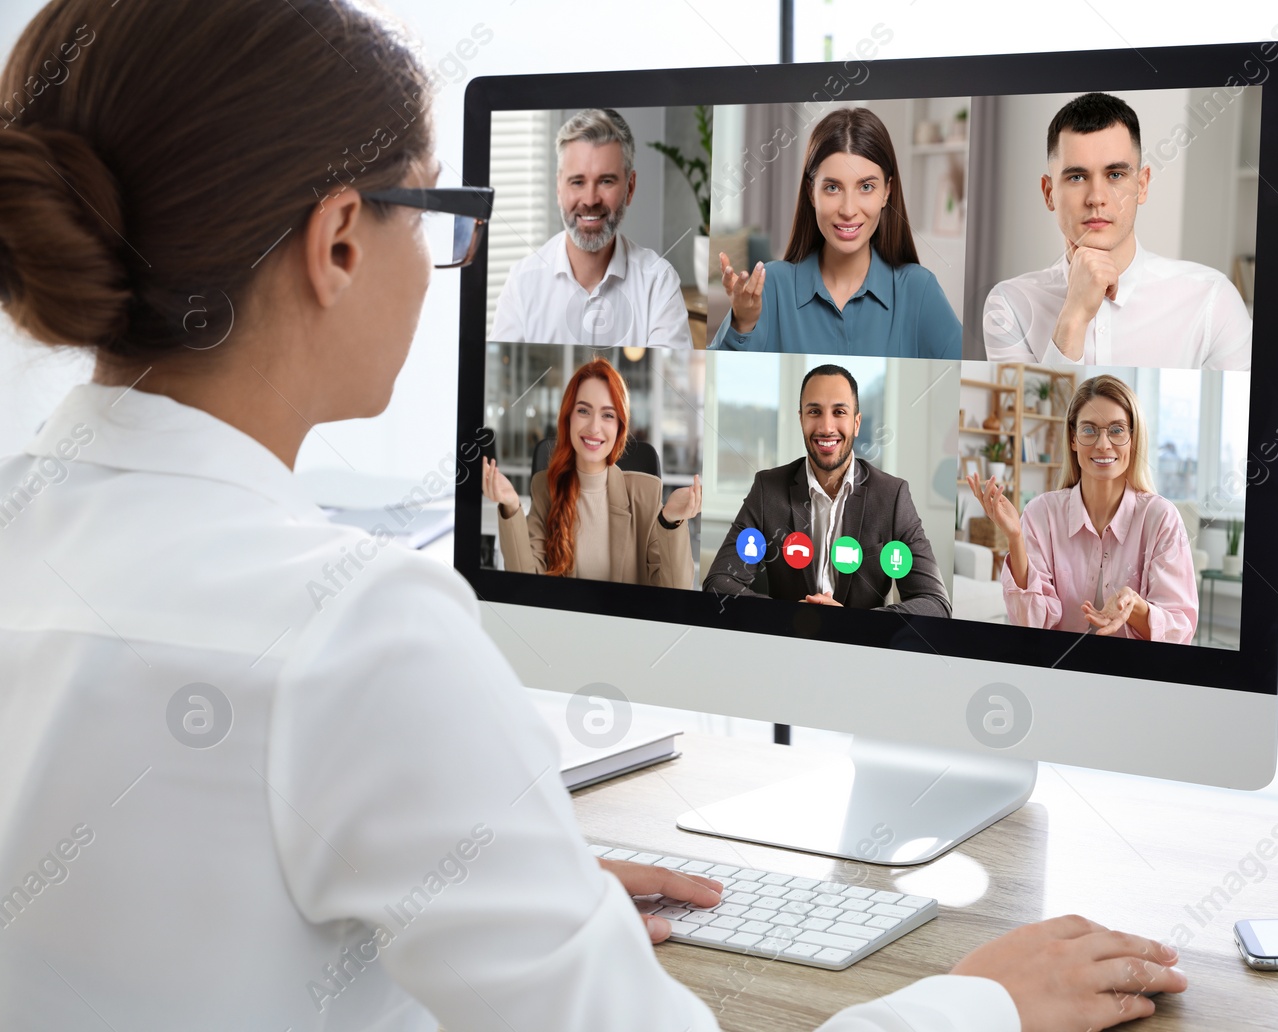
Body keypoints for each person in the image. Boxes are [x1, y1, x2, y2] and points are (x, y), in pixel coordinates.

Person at [0, 2, 1185, 1029]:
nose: (446, 259)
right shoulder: (359, 632)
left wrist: (506, 889)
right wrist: (984, 998)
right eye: (440, 210)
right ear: (341, 242)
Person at [983, 92, 1252, 370]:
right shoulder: (1008, 306)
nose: (1096, 197)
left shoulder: (1213, 302)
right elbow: (1028, 413)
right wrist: (1073, 317)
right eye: (1077, 177)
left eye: (1115, 175)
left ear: (1142, 185)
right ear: (1049, 193)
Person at [710, 107, 962, 360]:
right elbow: (714, 385)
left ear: (887, 191)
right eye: (832, 187)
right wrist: (742, 324)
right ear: (811, 192)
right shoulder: (771, 287)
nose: (849, 210)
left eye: (866, 187)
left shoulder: (919, 291)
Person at [704, 364, 950, 617]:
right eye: (814, 411)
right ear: (801, 419)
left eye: (839, 412)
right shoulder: (768, 490)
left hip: (860, 649)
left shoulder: (892, 496)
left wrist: (850, 624)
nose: (826, 427)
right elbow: (718, 584)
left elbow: (935, 602)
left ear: (856, 423)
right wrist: (785, 614)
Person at [967, 375, 1198, 642]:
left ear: (1133, 439)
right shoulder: (1041, 513)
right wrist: (1015, 539)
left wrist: (1132, 607)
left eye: (1116, 430)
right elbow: (1030, 624)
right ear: (1073, 439)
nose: (1103, 444)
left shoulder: (1161, 518)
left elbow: (1179, 631)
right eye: (1089, 430)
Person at [482, 357, 698, 587]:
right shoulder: (546, 487)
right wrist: (511, 506)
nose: (594, 427)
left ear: (619, 427)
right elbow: (525, 582)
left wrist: (670, 522)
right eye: (584, 411)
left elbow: (675, 590)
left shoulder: (645, 492)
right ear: (568, 418)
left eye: (607, 415)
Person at [491, 108, 693, 349]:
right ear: (559, 188)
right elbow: (500, 381)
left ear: (630, 187)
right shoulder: (521, 284)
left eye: (606, 181)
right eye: (577, 182)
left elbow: (669, 384)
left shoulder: (659, 284)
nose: (590, 199)